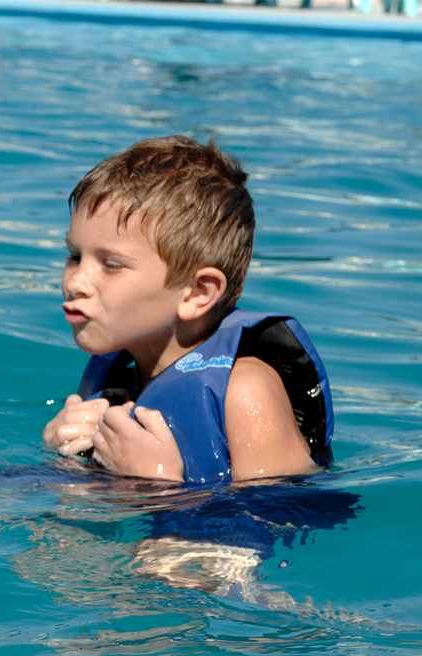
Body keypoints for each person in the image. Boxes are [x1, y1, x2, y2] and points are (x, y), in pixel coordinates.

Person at [42, 135, 333, 485]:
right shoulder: (121, 376)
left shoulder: (244, 391)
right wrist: (65, 460)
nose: (76, 281)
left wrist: (157, 482)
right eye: (75, 256)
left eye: (111, 265)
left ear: (197, 293)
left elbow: (283, 519)